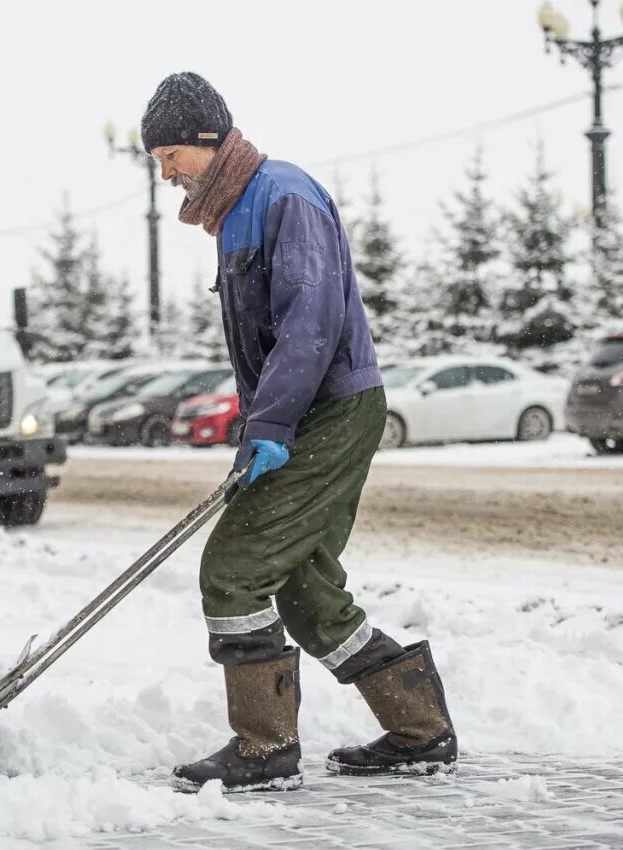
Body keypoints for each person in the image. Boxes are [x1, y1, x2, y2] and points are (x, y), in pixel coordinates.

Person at [139, 72, 456, 793]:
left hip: (331, 412)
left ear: (209, 141)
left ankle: (264, 748)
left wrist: (274, 422)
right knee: (305, 588)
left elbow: (310, 324)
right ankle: (420, 729)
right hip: (304, 413)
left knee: (234, 568)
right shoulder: (236, 210)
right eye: (156, 161)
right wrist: (261, 423)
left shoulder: (283, 195)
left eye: (169, 156)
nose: (164, 174)